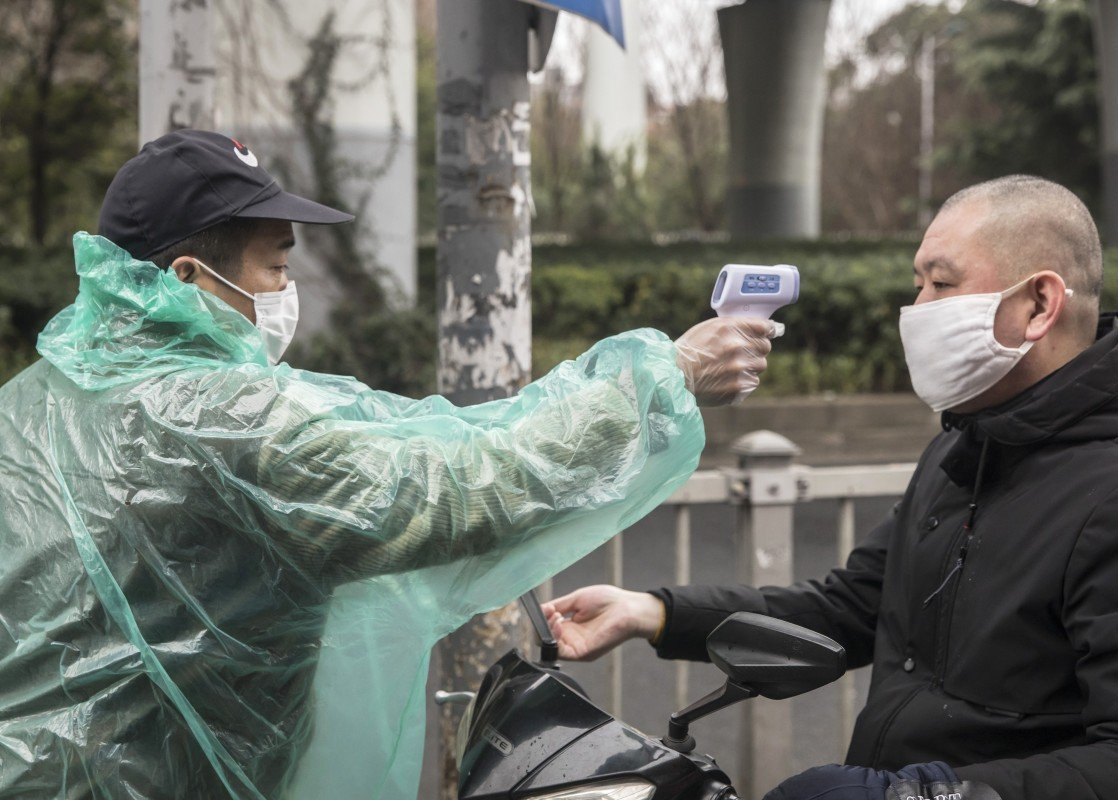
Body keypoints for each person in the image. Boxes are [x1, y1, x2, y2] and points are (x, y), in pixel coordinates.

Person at [0, 129, 779, 799]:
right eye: (275, 266)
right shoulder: (215, 419)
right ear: (188, 278)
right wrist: (657, 384)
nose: (284, 290)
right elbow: (448, 492)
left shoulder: (33, 403)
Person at [544, 176, 1118, 800]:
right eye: (916, 283)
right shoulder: (969, 442)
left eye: (940, 284)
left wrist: (919, 795)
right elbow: (854, 609)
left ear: (1038, 305)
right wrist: (655, 613)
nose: (914, 311)